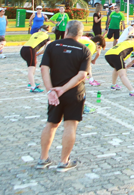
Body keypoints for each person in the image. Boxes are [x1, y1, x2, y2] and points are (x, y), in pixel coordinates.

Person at [35, 21, 91, 172]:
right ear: (80, 34)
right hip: (74, 93)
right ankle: (63, 162)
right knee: (70, 125)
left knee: (51, 123)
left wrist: (51, 91)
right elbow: (82, 75)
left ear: (66, 31)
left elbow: (44, 69)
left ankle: (42, 159)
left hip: (55, 92)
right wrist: (63, 89)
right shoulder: (84, 49)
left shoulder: (52, 46)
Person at [22, 26, 51, 92]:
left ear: (40, 30)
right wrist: (37, 54)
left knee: (34, 63)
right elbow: (46, 49)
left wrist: (35, 54)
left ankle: (32, 82)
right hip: (30, 50)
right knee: (31, 68)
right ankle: (32, 86)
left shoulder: (34, 34)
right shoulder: (47, 36)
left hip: (23, 49)